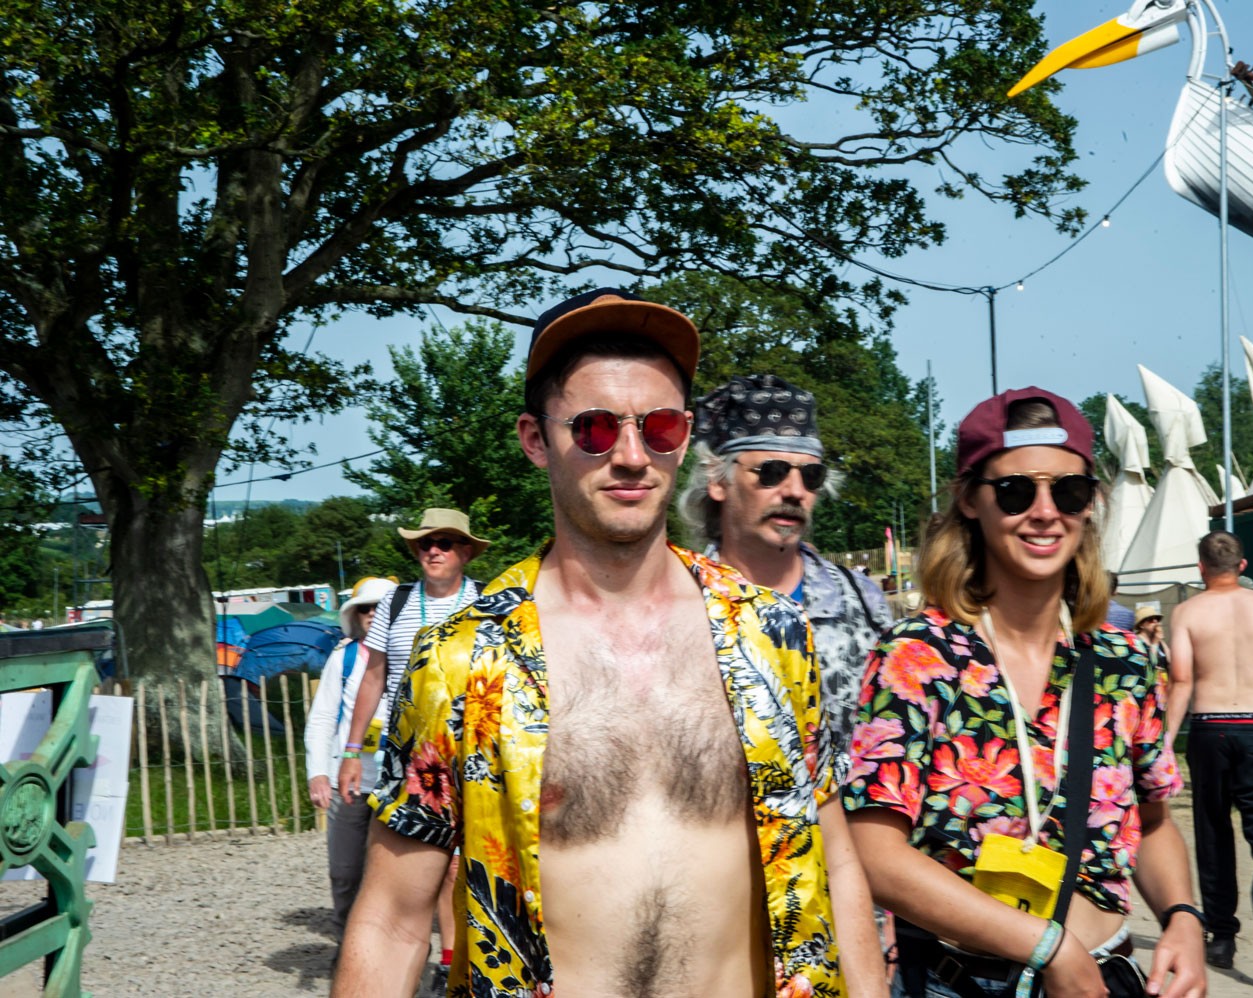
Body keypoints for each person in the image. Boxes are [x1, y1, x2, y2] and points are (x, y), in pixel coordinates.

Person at [333, 288, 884, 998]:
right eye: (594, 428)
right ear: (536, 440)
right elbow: (393, 920)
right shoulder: (463, 659)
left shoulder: (771, 634)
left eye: (660, 427)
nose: (630, 455)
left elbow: (835, 863)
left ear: (685, 437)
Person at [844, 386, 1206, 998]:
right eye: (1015, 491)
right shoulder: (918, 657)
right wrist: (1047, 947)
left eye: (1069, 491)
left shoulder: (1122, 662)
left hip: (1103, 977)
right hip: (962, 981)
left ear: (1090, 504)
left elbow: (1152, 823)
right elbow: (874, 851)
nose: (1045, 512)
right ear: (969, 500)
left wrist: (1183, 917)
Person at [678, 373, 892, 786]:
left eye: (811, 476)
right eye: (772, 472)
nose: (794, 491)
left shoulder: (863, 604)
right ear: (717, 480)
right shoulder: (679, 604)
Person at [336, 506, 486, 991]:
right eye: (425, 543)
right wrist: (351, 752)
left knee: (462, 868)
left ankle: (453, 965)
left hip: (472, 753)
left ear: (466, 552)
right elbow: (373, 676)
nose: (433, 551)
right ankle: (406, 966)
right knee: (411, 870)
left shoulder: (487, 602)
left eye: (444, 543)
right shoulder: (397, 603)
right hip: (408, 758)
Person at [1166, 531, 1253, 989]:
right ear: (1242, 565)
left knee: (1213, 831)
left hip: (1209, 727)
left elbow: (1181, 680)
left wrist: (1165, 741)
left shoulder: (1187, 612)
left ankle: (1222, 936)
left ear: (1200, 568)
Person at [304, 575, 398, 944]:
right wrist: (318, 773)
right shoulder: (342, 659)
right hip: (349, 782)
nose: (373, 613)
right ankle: (347, 944)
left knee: (396, 872)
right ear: (354, 616)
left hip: (400, 782)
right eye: (365, 608)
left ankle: (389, 945)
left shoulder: (414, 653)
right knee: (344, 870)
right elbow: (322, 718)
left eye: (381, 607)